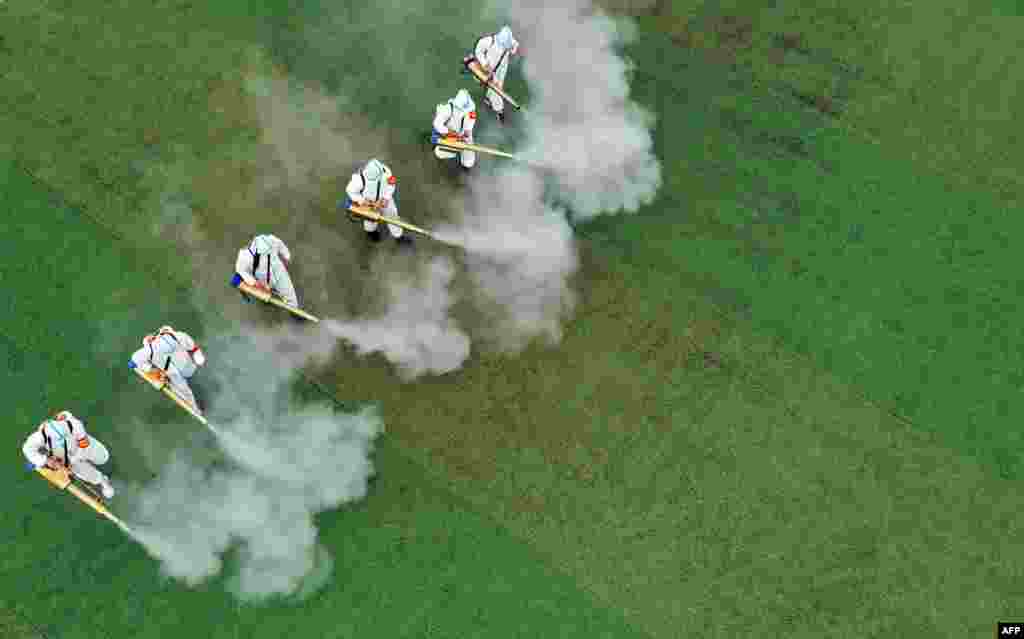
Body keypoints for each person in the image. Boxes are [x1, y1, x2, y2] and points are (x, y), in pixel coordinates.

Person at [23, 411, 115, 499]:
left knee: (103, 458)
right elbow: (27, 449)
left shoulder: (75, 424)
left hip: (81, 447)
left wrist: (75, 458)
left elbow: (84, 444)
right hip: (65, 457)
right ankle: (103, 481)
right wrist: (46, 460)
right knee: (87, 474)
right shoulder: (39, 437)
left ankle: (92, 466)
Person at [129, 326, 206, 411]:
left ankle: (195, 407)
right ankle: (195, 407)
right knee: (184, 387)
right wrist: (199, 359)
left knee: (184, 389)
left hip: (180, 371)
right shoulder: (179, 336)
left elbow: (134, 360)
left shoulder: (151, 348)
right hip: (181, 371)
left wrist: (151, 370)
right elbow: (194, 349)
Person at [341, 159, 403, 241]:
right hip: (368, 203)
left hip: (385, 200)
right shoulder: (358, 179)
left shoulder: (387, 172)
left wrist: (386, 198)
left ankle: (398, 235)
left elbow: (391, 185)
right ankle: (371, 232)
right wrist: (363, 201)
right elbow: (350, 191)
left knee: (393, 217)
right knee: (370, 220)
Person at [231, 234, 298, 307]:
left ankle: (292, 306)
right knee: (289, 299)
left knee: (291, 299)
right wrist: (255, 283)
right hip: (268, 280)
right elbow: (240, 270)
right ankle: (289, 304)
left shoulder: (265, 240)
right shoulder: (265, 240)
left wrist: (286, 256)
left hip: (278, 276)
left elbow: (279, 244)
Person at [469, 25, 519, 122]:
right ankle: (499, 110)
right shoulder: (488, 41)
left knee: (496, 88)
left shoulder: (509, 41)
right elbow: (478, 51)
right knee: (496, 90)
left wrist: (513, 51)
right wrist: (484, 63)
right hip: (488, 70)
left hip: (501, 69)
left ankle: (489, 99)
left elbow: (515, 45)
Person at [432, 89, 478, 170]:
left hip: (462, 135)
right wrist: (451, 133)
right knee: (439, 153)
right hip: (448, 135)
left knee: (468, 151)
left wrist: (464, 136)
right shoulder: (447, 109)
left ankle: (466, 162)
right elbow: (437, 124)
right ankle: (450, 150)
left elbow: (469, 127)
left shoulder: (471, 112)